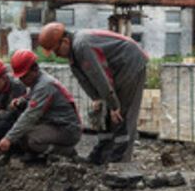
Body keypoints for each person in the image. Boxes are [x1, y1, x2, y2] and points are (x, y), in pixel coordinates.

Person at [38, 22, 148, 164]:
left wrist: (114, 105)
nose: (56, 55)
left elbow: (99, 76)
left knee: (123, 115)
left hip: (129, 62)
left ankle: (121, 165)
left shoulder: (81, 46)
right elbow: (84, 79)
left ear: (65, 41)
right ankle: (103, 156)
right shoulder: (73, 53)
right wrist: (97, 98)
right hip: (117, 67)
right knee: (105, 115)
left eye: (56, 50)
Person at [0, 49, 81, 161]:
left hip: (66, 128)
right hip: (55, 123)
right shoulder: (37, 81)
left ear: (34, 69)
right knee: (22, 133)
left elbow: (31, 115)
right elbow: (31, 97)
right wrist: (21, 100)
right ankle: (37, 153)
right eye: (20, 77)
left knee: (32, 139)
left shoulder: (44, 85)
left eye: (24, 76)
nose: (22, 81)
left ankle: (66, 152)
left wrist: (8, 138)